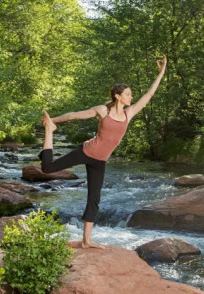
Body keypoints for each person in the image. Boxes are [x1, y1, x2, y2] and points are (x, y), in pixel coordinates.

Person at [39, 56, 167, 248]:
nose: (131, 97)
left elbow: (149, 94)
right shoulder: (103, 110)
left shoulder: (129, 113)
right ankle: (49, 131)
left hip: (100, 161)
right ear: (118, 96)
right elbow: (74, 115)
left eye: (131, 95)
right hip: (85, 151)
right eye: (128, 94)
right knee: (47, 168)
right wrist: (53, 121)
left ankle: (86, 240)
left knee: (94, 198)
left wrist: (162, 72)